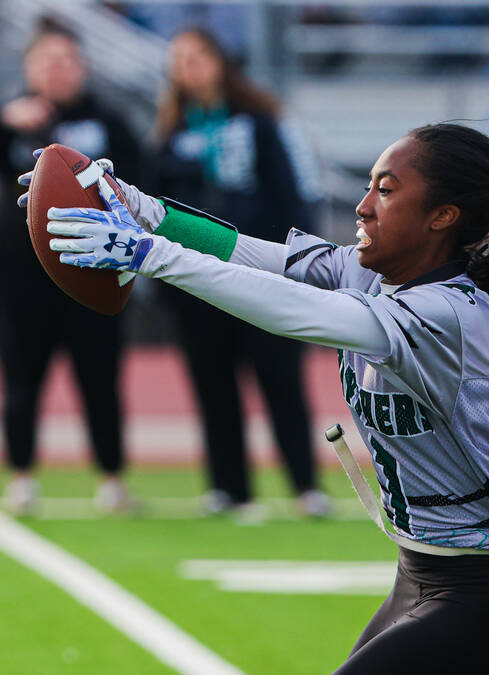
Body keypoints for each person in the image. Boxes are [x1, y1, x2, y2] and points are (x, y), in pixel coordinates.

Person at [40, 122, 489, 675]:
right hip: (427, 573)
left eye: (387, 190)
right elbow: (248, 255)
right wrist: (144, 208)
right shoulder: (373, 272)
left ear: (442, 216)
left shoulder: (451, 311)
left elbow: (297, 313)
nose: (363, 205)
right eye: (368, 186)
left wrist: (151, 254)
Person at [152, 26, 328, 518]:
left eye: (198, 55)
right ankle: (229, 488)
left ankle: (305, 485)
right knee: (212, 382)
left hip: (259, 272)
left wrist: (296, 264)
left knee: (280, 377)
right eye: (179, 58)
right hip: (195, 280)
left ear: (220, 60)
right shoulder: (169, 134)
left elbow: (291, 194)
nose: (190, 66)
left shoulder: (261, 122)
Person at [0, 17, 142, 516]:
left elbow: (138, 184)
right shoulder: (11, 119)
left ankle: (112, 478)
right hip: (24, 279)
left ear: (82, 67)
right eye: (48, 61)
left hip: (92, 271)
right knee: (22, 378)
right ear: (29, 67)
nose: (58, 71)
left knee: (100, 377)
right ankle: (20, 476)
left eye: (67, 61)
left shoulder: (107, 122)